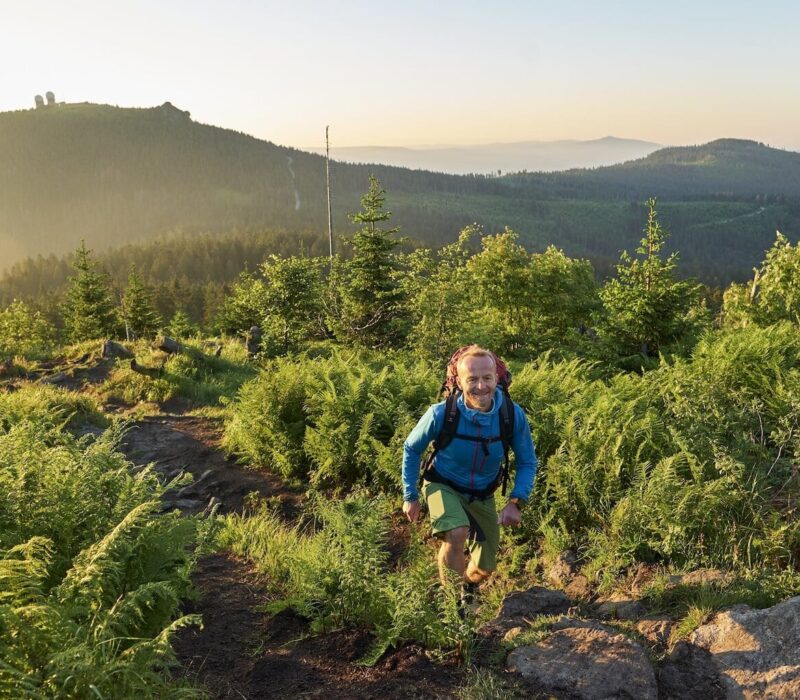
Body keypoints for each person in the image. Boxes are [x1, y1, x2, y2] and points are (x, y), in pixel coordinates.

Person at [401, 345, 537, 600]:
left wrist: (516, 502)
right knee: (456, 532)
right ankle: (454, 608)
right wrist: (410, 495)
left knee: (486, 566)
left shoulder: (511, 415)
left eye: (487, 378)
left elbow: (528, 461)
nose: (481, 386)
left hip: (482, 494)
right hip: (442, 483)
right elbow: (411, 448)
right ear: (459, 381)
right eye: (472, 379)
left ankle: (467, 585)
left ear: (497, 378)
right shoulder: (441, 413)